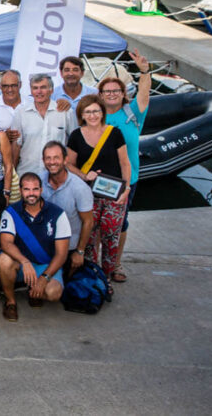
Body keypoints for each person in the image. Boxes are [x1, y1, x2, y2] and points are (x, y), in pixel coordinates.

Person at [65, 95, 131, 285]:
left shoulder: (114, 133)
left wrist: (126, 188)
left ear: (102, 112)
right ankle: (93, 276)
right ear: (81, 115)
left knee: (111, 237)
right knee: (89, 237)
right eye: (87, 112)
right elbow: (69, 164)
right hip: (87, 195)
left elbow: (125, 163)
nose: (92, 115)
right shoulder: (76, 136)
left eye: (95, 111)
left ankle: (108, 276)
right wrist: (85, 176)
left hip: (114, 194)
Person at [100, 48, 151, 283]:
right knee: (98, 223)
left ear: (122, 93)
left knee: (121, 223)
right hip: (100, 179)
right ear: (99, 95)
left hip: (126, 180)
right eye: (106, 91)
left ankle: (115, 263)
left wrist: (144, 71)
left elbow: (144, 92)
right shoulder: (95, 116)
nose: (111, 94)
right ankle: (96, 262)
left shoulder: (133, 114)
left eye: (115, 91)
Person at [0, 173, 71, 321]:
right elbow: (6, 243)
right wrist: (24, 262)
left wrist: (44, 278)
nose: (31, 194)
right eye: (27, 189)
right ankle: (10, 301)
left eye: (35, 189)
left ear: (41, 190)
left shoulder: (57, 213)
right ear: (20, 190)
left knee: (53, 293)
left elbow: (62, 254)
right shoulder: (11, 212)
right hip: (21, 264)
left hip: (44, 265)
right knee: (4, 260)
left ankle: (34, 289)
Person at [40, 141, 94, 272]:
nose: (52, 162)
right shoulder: (38, 180)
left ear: (65, 160)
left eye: (56, 158)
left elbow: (88, 221)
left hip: (69, 247)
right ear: (43, 160)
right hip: (44, 243)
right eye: (48, 158)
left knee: (59, 289)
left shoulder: (80, 188)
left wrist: (80, 252)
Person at [10, 73, 77, 177]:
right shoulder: (21, 113)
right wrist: (11, 174)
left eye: (43, 87)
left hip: (57, 176)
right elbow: (16, 145)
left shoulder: (66, 112)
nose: (39, 91)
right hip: (27, 174)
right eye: (35, 88)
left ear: (51, 90)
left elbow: (74, 146)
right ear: (31, 91)